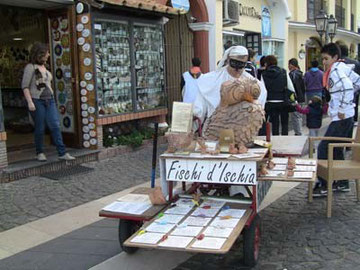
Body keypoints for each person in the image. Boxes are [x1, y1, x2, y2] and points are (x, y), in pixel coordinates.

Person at [313, 43, 360, 196]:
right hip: (347, 116)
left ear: (334, 57)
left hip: (342, 116)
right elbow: (357, 82)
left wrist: (342, 108)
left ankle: (324, 185)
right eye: (322, 59)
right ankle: (343, 183)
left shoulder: (335, 71)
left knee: (323, 148)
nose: (324, 62)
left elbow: (347, 87)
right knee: (338, 149)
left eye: (326, 59)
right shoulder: (344, 68)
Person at [21, 43, 75, 162]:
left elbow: (47, 84)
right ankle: (39, 152)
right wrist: (30, 102)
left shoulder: (45, 67)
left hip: (49, 100)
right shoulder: (30, 67)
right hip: (37, 100)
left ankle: (62, 152)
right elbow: (25, 86)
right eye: (47, 53)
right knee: (40, 127)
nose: (49, 55)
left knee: (55, 125)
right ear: (41, 54)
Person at [193, 46, 267, 126]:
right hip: (214, 127)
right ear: (228, 60)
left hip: (240, 128)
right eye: (234, 63)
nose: (237, 68)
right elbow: (199, 107)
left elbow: (260, 98)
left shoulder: (252, 82)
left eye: (241, 64)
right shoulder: (210, 79)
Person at [261, 55, 295, 136]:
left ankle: (276, 138)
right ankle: (285, 138)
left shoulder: (263, 74)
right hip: (283, 100)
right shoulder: (283, 71)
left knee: (274, 123)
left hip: (270, 101)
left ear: (266, 63)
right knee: (284, 123)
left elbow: (262, 89)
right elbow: (290, 87)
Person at [337, 43, 360, 127]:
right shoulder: (356, 63)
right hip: (354, 89)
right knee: (354, 103)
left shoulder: (337, 63)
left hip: (340, 89)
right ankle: (354, 119)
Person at [288, 58, 306, 135]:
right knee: (299, 115)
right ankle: (299, 131)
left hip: (295, 98)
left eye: (289, 64)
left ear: (292, 65)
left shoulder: (292, 74)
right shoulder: (300, 73)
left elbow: (291, 87)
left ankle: (298, 132)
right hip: (301, 97)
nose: (288, 66)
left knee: (295, 116)